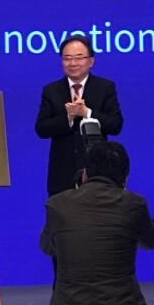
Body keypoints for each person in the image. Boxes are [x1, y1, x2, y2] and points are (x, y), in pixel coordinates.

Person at [40, 141, 154, 305]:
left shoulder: (57, 205)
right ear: (125, 179)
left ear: (85, 174)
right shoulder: (134, 205)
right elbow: (153, 241)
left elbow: (47, 247)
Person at [35, 35, 124, 197]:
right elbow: (41, 128)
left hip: (97, 173)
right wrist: (68, 118)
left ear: (91, 61)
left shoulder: (105, 88)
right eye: (67, 58)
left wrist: (86, 113)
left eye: (78, 58)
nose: (73, 63)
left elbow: (115, 125)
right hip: (61, 174)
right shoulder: (51, 90)